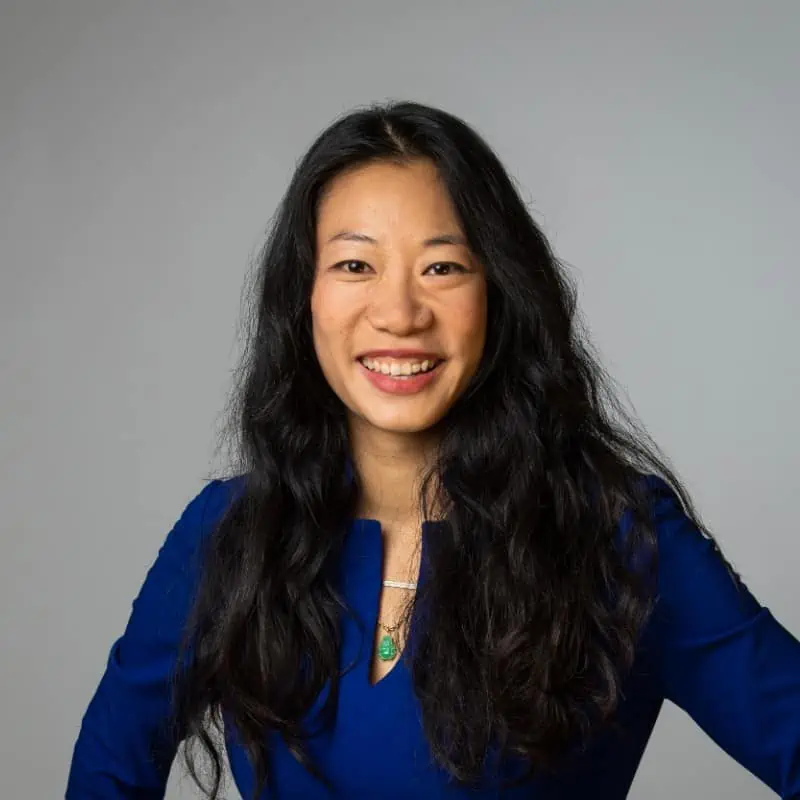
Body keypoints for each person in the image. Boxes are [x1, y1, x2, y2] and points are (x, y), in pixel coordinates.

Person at [66, 101, 800, 799]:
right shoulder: (230, 533)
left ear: (499, 294)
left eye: (442, 267)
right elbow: (106, 776)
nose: (398, 313)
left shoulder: (614, 534)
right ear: (305, 298)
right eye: (356, 265)